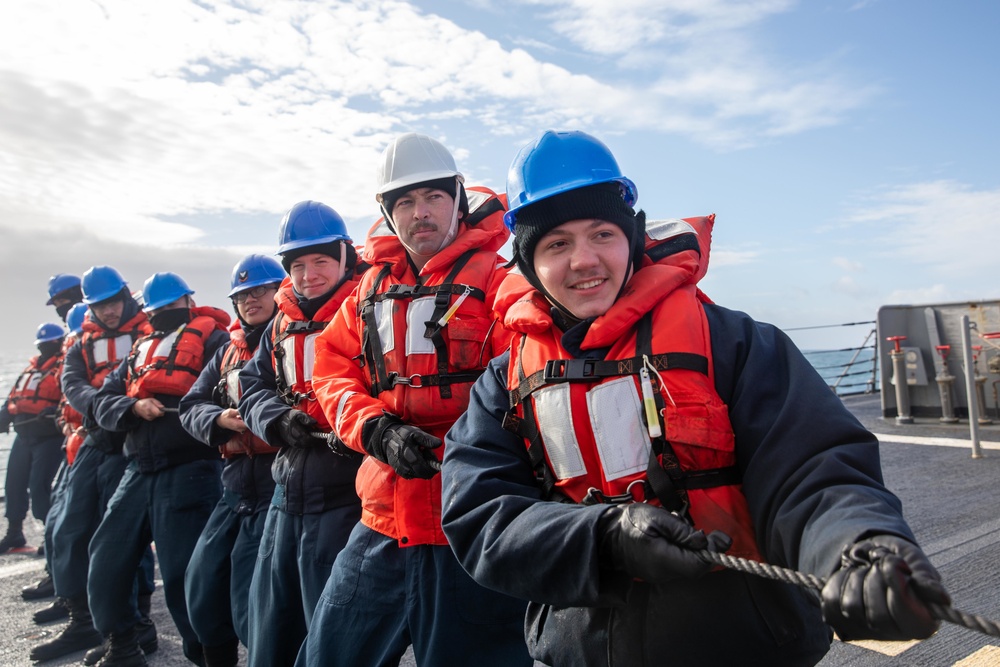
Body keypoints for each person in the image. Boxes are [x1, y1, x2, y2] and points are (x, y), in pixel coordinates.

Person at [439, 130, 952, 666]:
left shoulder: (736, 343)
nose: (584, 260)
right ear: (529, 263)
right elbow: (480, 514)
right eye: (557, 244)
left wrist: (860, 546)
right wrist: (604, 538)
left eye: (602, 235)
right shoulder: (503, 386)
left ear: (632, 240)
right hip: (584, 651)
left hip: (745, 646)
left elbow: (814, 468)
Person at [300, 133, 531, 666]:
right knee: (327, 656)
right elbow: (330, 370)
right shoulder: (366, 292)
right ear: (387, 212)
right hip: (381, 519)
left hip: (471, 523)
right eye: (403, 201)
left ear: (459, 200)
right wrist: (376, 430)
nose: (419, 213)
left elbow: (526, 388)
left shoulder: (500, 285)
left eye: (433, 197)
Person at [237, 202, 364, 667]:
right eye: (297, 265)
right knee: (268, 629)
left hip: (346, 501)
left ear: (345, 258)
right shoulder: (281, 323)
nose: (308, 275)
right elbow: (251, 386)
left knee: (333, 639)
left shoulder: (367, 308)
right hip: (284, 497)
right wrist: (277, 419)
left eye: (320, 262)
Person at [90, 272, 229, 666]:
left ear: (188, 301)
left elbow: (220, 392)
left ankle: (206, 656)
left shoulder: (214, 340)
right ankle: (123, 645)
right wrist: (132, 408)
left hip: (191, 471)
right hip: (137, 469)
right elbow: (104, 401)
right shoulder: (139, 349)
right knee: (106, 558)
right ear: (148, 312)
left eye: (172, 307)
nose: (166, 314)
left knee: (187, 579)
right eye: (159, 310)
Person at [32, 266, 159, 665]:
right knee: (68, 528)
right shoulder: (81, 344)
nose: (108, 311)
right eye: (100, 306)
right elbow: (73, 385)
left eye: (113, 302)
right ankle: (83, 617)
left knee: (126, 539)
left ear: (125, 295)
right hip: (95, 440)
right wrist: (110, 407)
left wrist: (117, 410)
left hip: (134, 442)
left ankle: (137, 624)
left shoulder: (148, 331)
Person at [179, 254, 285, 667]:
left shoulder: (294, 339)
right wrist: (219, 419)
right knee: (201, 587)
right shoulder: (226, 352)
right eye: (242, 295)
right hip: (235, 486)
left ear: (281, 291)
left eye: (260, 290)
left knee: (253, 603)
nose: (251, 300)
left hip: (277, 484)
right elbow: (191, 406)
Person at [0, 323, 67, 555]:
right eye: (42, 344)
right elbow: (14, 397)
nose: (46, 347)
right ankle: (14, 531)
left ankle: (52, 534)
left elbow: (69, 396)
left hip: (49, 437)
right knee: (14, 484)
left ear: (60, 342)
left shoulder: (65, 365)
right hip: (24, 435)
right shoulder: (30, 370)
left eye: (51, 343)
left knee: (39, 487)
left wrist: (55, 412)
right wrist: (5, 414)